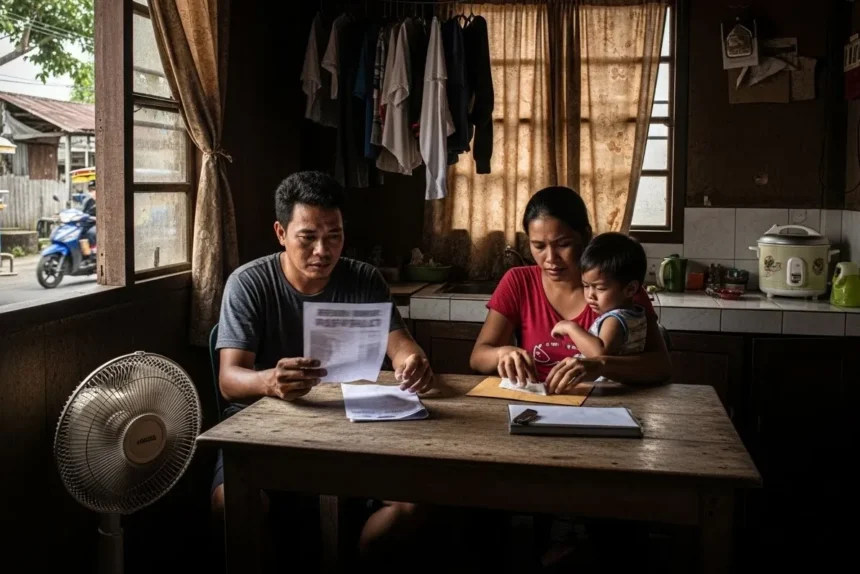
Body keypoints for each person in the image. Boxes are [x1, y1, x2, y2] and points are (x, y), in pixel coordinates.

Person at [213, 171, 434, 564]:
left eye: (334, 235)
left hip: (355, 422)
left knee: (412, 508)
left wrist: (412, 362)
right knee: (229, 503)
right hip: (266, 425)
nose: (323, 250)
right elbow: (230, 380)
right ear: (281, 232)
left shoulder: (363, 279)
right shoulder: (248, 284)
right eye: (308, 237)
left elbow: (401, 346)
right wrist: (270, 381)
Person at [470, 185, 672, 393]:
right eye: (538, 246)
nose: (550, 259)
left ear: (585, 236)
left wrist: (601, 364)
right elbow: (478, 357)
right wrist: (502, 354)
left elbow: (661, 367)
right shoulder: (518, 281)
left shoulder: (619, 285)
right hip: (537, 402)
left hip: (604, 406)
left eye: (563, 244)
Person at [550, 232, 648, 359]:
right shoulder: (636, 314)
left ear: (630, 289)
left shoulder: (615, 319)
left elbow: (599, 354)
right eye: (586, 286)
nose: (590, 295)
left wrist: (570, 327)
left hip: (604, 380)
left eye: (600, 288)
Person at [80, 180, 97, 249]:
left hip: (97, 224)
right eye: (91, 190)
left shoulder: (103, 200)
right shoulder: (87, 201)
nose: (93, 192)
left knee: (91, 233)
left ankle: (93, 252)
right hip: (87, 223)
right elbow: (81, 211)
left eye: (94, 189)